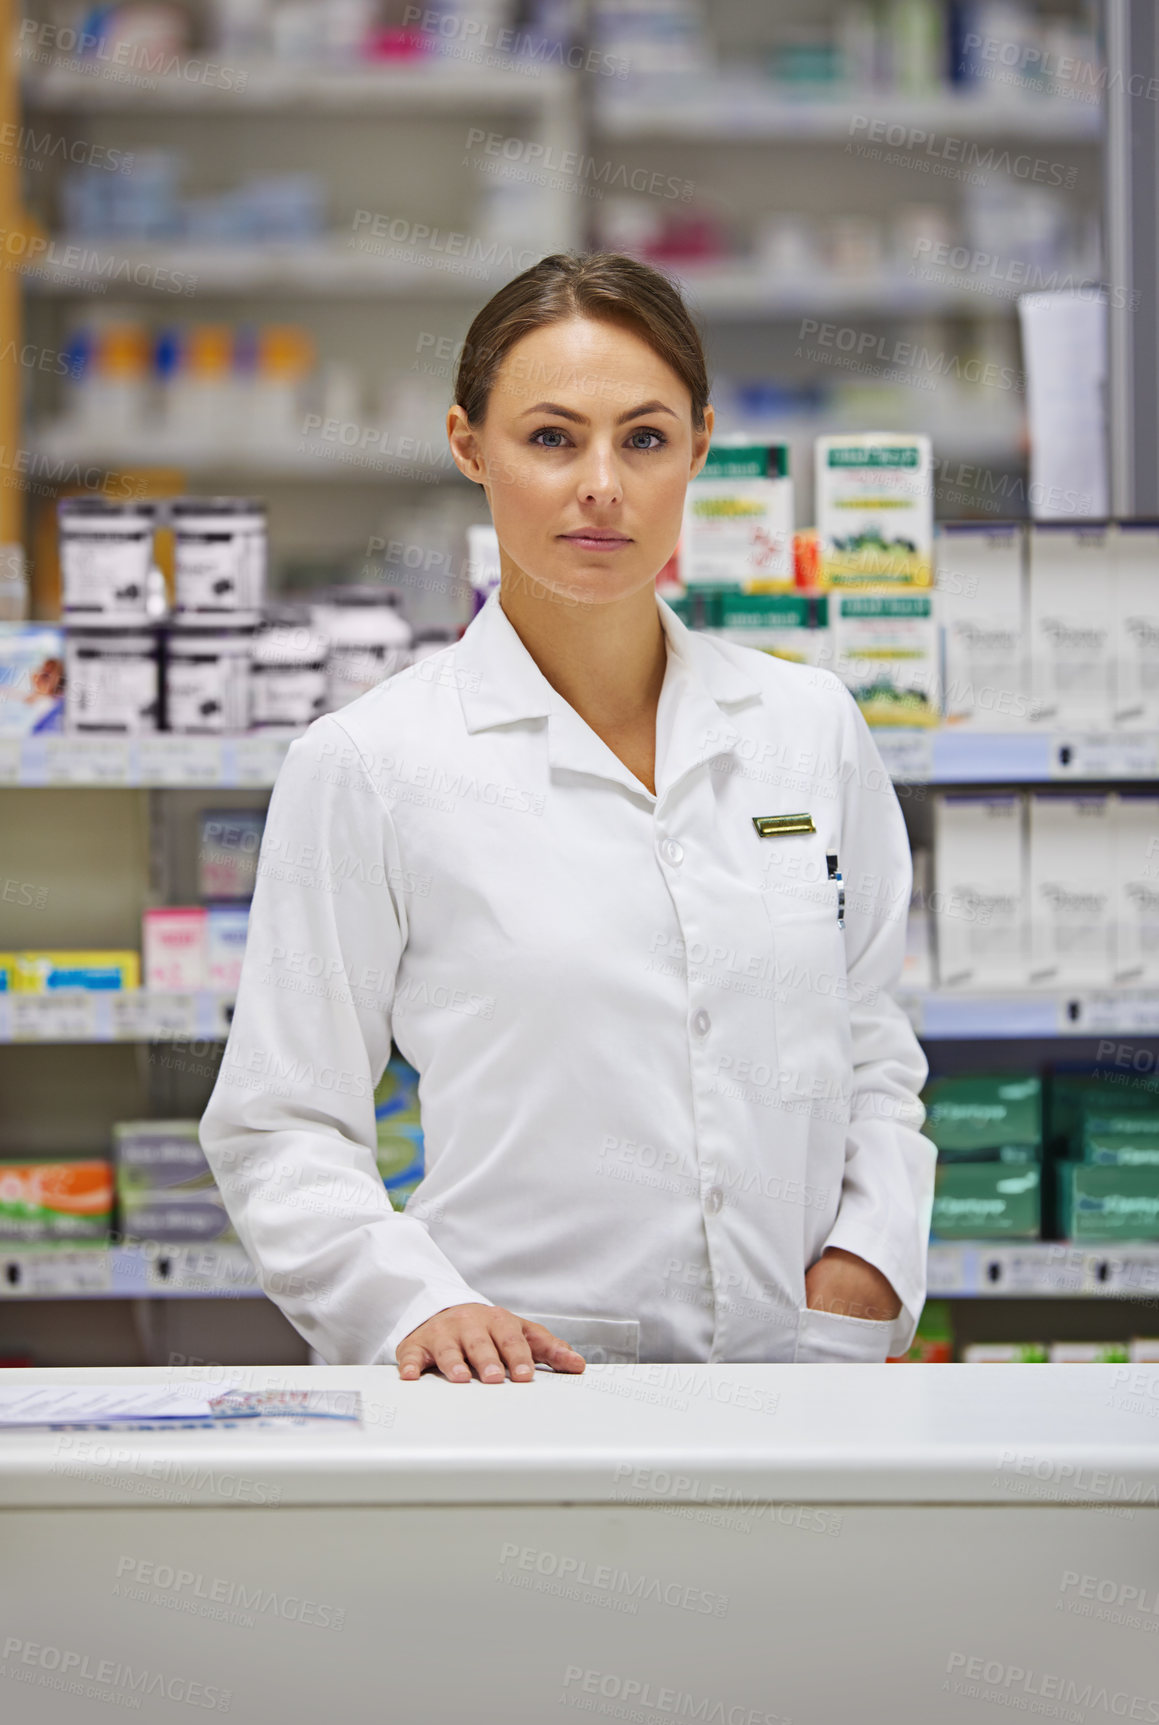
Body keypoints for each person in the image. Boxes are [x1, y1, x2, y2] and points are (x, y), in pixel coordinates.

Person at [199, 250, 934, 1383]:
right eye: (551, 439)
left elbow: (873, 1050)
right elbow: (281, 1123)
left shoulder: (807, 726)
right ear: (469, 449)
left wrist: (866, 1269)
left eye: (643, 438)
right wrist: (412, 1309)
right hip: (519, 1392)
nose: (602, 484)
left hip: (804, 1377)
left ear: (697, 447)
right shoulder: (373, 762)